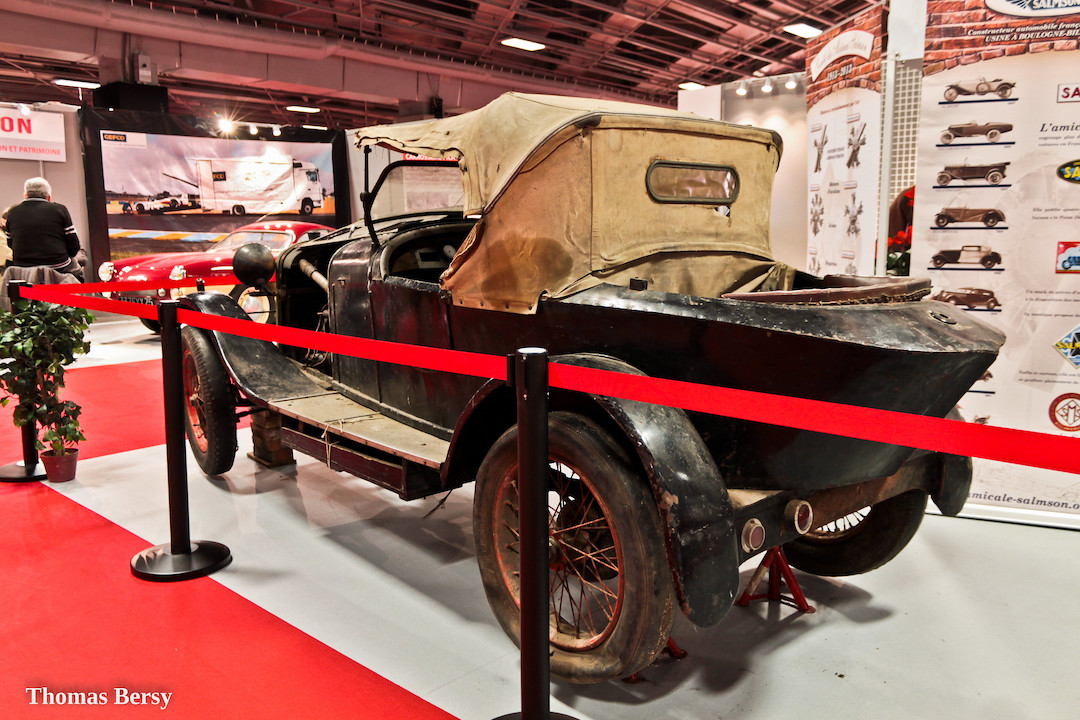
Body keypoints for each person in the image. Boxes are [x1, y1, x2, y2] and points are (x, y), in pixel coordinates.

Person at [4, 177, 84, 281]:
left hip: (23, 268)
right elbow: (73, 245)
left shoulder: (12, 212)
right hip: (57, 266)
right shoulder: (60, 210)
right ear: (49, 197)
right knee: (77, 270)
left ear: (25, 195)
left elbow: (10, 243)